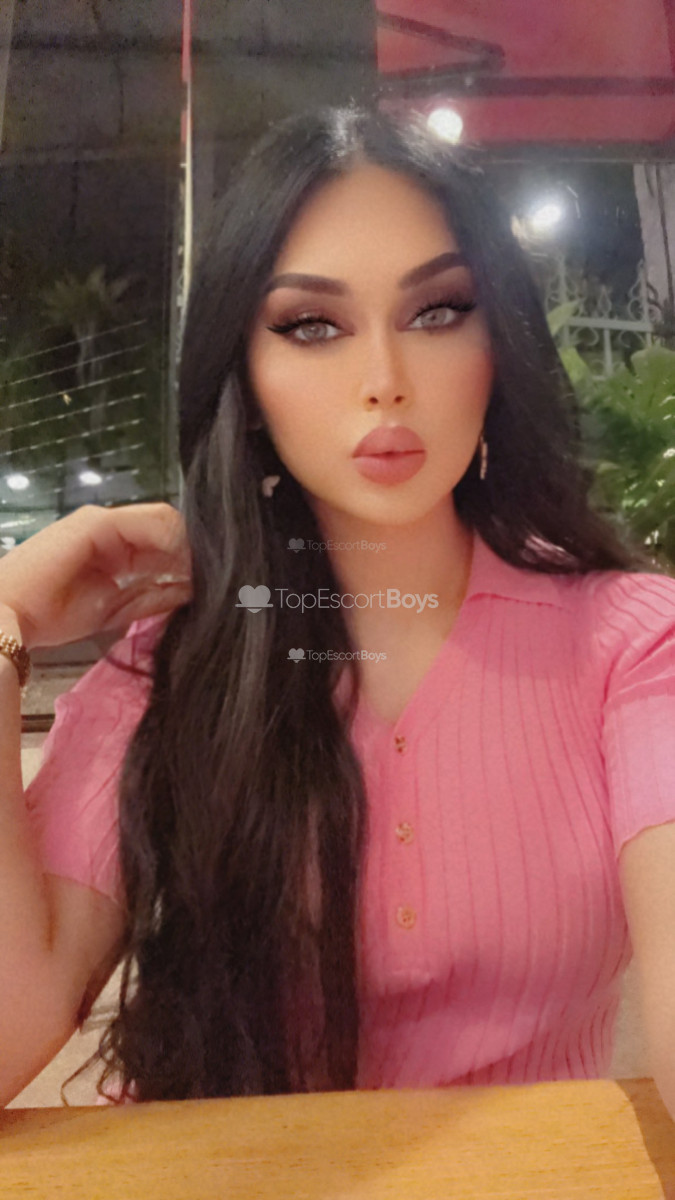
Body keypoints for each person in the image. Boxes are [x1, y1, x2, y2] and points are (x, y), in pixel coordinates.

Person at [1, 103, 675, 1112]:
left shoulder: (632, 646)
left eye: (437, 311)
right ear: (246, 377)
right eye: (311, 325)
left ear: (499, 347)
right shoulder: (171, 668)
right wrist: (1, 619)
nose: (383, 383)